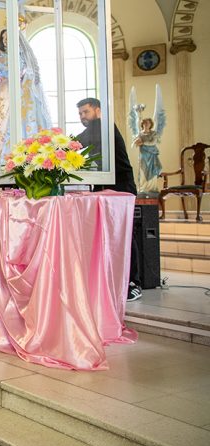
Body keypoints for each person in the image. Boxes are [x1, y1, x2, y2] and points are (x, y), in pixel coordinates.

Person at [76, 98, 141, 302]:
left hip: (120, 187)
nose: (82, 117)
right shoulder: (95, 130)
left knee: (124, 235)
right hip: (103, 188)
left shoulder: (102, 126)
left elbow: (76, 142)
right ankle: (111, 279)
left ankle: (134, 283)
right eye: (80, 114)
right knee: (105, 235)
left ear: (98, 110)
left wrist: (58, 147)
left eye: (85, 112)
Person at [0, 28, 52, 170]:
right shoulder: (0, 58)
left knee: (16, 125)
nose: (6, 41)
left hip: (18, 96)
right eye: (3, 38)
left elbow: (28, 75)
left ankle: (16, 158)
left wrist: (18, 74)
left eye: (8, 38)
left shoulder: (23, 59)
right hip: (1, 96)